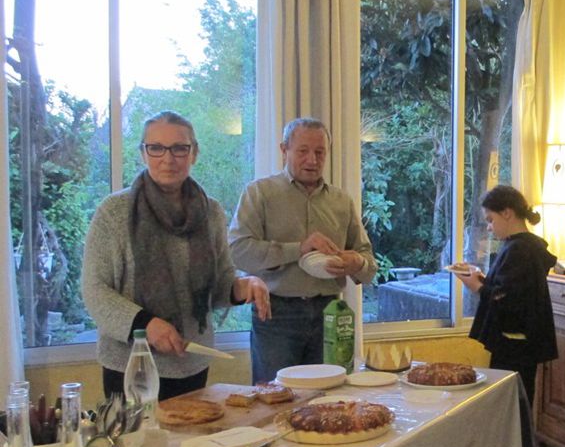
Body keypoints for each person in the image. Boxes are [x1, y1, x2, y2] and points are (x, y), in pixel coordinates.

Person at [82, 111, 270, 400]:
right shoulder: (114, 212)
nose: (168, 159)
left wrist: (244, 286)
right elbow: (95, 291)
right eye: (156, 148)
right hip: (130, 366)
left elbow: (217, 288)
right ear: (143, 153)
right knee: (139, 433)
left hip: (192, 364)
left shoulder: (211, 212)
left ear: (194, 153)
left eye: (179, 148)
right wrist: (145, 325)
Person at [229, 117, 377, 383]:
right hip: (276, 314)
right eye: (303, 151)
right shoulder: (259, 193)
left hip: (331, 314)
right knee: (275, 396)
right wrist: (298, 249)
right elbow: (237, 251)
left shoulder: (341, 201)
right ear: (283, 150)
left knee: (330, 395)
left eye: (320, 152)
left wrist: (356, 262)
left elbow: (369, 264)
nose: (312, 160)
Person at [457, 185, 557, 447]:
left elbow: (508, 299)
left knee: (513, 415)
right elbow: (509, 290)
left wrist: (477, 286)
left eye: (490, 219)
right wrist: (483, 280)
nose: (489, 226)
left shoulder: (520, 250)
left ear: (507, 213)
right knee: (516, 412)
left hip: (516, 346)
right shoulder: (523, 248)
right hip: (519, 344)